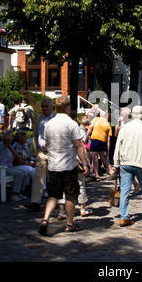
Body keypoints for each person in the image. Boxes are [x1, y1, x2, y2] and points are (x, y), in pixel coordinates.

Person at [38, 96, 90, 235]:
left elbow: (47, 144)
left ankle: (45, 220)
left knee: (53, 196)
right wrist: (84, 164)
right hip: (68, 165)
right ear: (67, 108)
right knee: (71, 196)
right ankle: (70, 223)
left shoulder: (49, 124)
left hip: (54, 165)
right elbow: (78, 145)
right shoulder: (71, 124)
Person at [113, 105, 142, 227]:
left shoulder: (125, 128)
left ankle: (124, 217)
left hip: (126, 162)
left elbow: (118, 145)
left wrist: (116, 162)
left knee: (125, 191)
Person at [27, 98, 54, 212]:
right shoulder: (39, 118)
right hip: (42, 153)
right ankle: (35, 202)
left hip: (54, 153)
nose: (44, 109)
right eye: (42, 106)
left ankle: (55, 202)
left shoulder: (56, 118)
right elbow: (36, 135)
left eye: (46, 106)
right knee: (38, 177)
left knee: (54, 178)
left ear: (51, 107)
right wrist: (35, 150)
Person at [0, 130, 30, 201]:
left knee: (25, 173)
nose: (12, 138)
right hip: (1, 169)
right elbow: (7, 142)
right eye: (11, 136)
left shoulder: (9, 145)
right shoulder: (2, 145)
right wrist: (6, 138)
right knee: (20, 174)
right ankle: (14, 194)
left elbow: (16, 156)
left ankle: (19, 192)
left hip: (8, 168)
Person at [86, 111, 115, 181]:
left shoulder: (96, 120)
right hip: (103, 141)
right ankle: (111, 170)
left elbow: (90, 128)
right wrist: (108, 150)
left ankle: (96, 175)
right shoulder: (108, 124)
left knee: (95, 158)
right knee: (103, 156)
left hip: (95, 140)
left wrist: (86, 138)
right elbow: (108, 139)